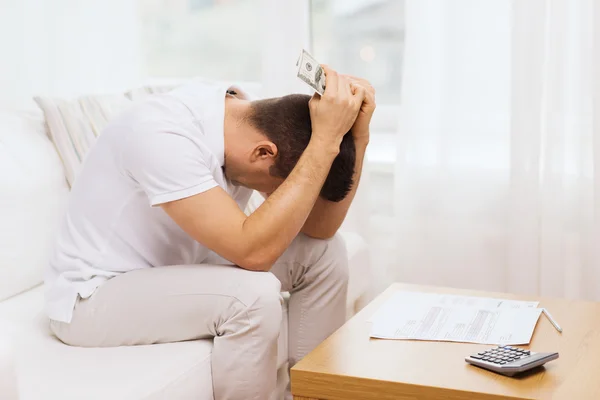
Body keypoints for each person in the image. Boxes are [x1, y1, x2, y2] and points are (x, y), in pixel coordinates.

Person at [45, 66, 376, 400]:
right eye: (278, 190)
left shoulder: (241, 115)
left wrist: (357, 136)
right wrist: (323, 140)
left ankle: (314, 395)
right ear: (263, 153)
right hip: (92, 298)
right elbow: (253, 254)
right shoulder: (162, 136)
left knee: (326, 255)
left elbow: (320, 228)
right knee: (251, 295)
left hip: (176, 267)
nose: (284, 203)